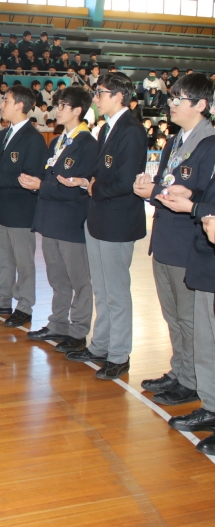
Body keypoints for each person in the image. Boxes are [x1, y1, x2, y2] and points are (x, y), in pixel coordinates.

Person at [133, 74, 215, 405]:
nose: (171, 104)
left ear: (200, 105)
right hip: (166, 236)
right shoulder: (176, 139)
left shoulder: (209, 144)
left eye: (178, 99)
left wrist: (159, 192)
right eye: (171, 98)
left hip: (189, 243)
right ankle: (181, 370)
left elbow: (202, 196)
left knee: (189, 319)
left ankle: (193, 379)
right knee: (173, 316)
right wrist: (153, 188)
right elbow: (171, 184)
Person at [63, 73, 147, 380]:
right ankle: (99, 346)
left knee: (116, 292)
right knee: (101, 289)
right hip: (98, 217)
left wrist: (94, 187)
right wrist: (90, 183)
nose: (95, 99)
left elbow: (125, 181)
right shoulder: (107, 129)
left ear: (119, 96)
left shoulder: (132, 130)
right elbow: (102, 173)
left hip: (118, 220)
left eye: (100, 93)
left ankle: (119, 353)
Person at [22, 87, 97, 353]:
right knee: (57, 278)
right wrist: (37, 184)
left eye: (64, 105)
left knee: (80, 280)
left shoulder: (88, 144)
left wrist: (40, 185)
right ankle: (57, 324)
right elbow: (50, 178)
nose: (58, 109)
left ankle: (78, 331)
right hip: (50, 218)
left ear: (78, 111)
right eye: (58, 105)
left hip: (71, 221)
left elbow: (75, 186)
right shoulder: (57, 141)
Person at [0, 84, 47, 327]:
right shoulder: (4, 134)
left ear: (19, 105)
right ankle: (1, 299)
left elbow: (30, 176)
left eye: (5, 100)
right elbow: (0, 169)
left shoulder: (34, 139)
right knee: (3, 258)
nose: (2, 104)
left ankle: (25, 305)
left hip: (22, 209)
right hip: (2, 206)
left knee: (24, 262)